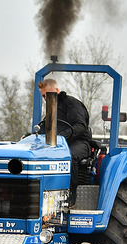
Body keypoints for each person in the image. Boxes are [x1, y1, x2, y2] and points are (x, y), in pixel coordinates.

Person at [38, 78, 92, 206]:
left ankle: (70, 196)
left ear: (56, 91)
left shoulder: (72, 104)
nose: (45, 98)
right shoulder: (51, 110)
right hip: (58, 144)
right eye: (43, 96)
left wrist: (63, 135)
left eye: (47, 95)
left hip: (79, 142)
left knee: (69, 156)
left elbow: (81, 126)